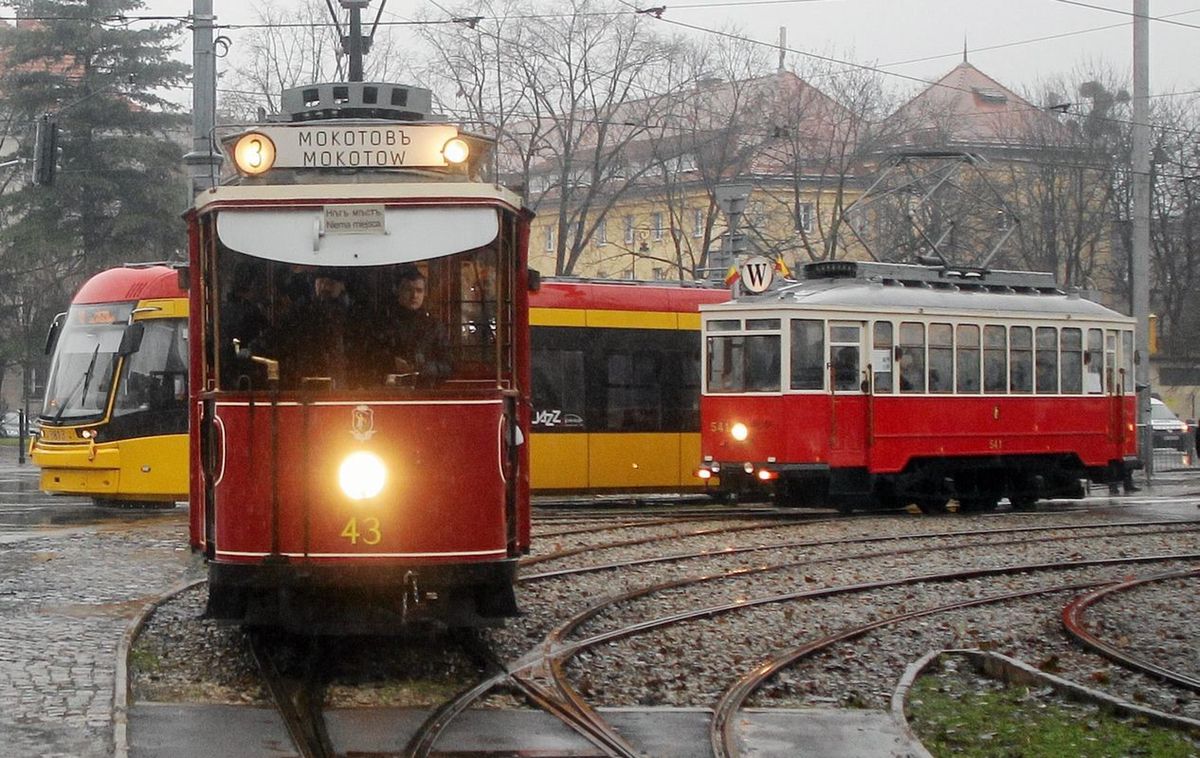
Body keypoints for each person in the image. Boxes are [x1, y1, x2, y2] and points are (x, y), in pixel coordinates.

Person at [383, 266, 451, 383]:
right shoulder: (384, 323)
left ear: (424, 293)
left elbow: (449, 366)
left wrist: (423, 368)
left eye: (419, 290)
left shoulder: (435, 326)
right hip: (388, 392)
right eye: (408, 290)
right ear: (398, 291)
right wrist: (391, 362)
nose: (414, 296)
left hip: (425, 391)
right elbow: (367, 360)